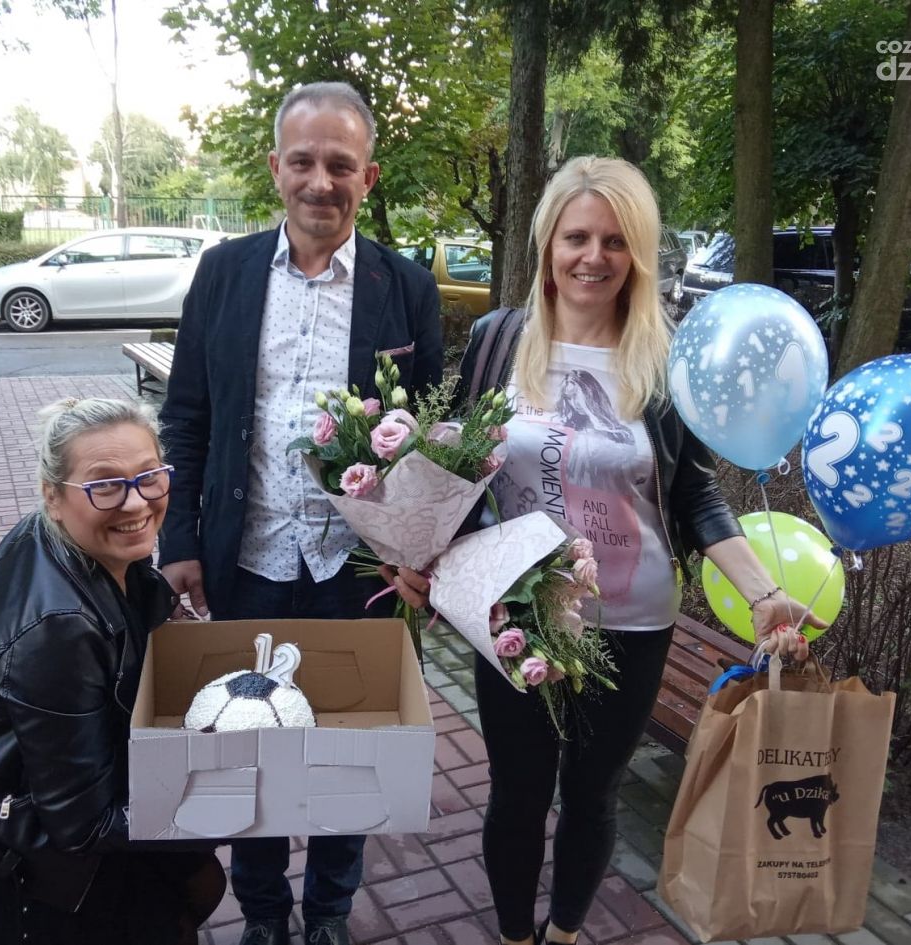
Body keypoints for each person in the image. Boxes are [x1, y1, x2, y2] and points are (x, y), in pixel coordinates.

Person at [390, 156, 823, 945]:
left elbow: (694, 495)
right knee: (517, 792)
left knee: (592, 793)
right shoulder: (499, 340)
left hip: (630, 618)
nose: (594, 257)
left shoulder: (664, 361)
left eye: (616, 241)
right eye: (578, 237)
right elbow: (453, 466)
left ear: (640, 253)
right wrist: (418, 551)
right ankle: (515, 935)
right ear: (548, 244)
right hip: (514, 611)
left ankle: (564, 933)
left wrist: (764, 594)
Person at [157, 82, 443, 945]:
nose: (322, 181)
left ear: (369, 176)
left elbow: (430, 438)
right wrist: (178, 539)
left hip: (356, 570)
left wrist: (415, 548)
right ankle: (264, 915)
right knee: (248, 747)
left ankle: (327, 914)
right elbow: (188, 415)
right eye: (305, 161)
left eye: (341, 165)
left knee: (348, 749)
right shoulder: (224, 272)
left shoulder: (407, 287)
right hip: (246, 558)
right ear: (275, 167)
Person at [0, 397, 226, 945]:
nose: (136, 501)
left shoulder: (74, 541)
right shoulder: (58, 629)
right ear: (53, 496)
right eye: (104, 485)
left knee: (188, 883)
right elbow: (84, 825)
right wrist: (236, 806)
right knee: (170, 904)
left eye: (149, 476)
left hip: (19, 792)